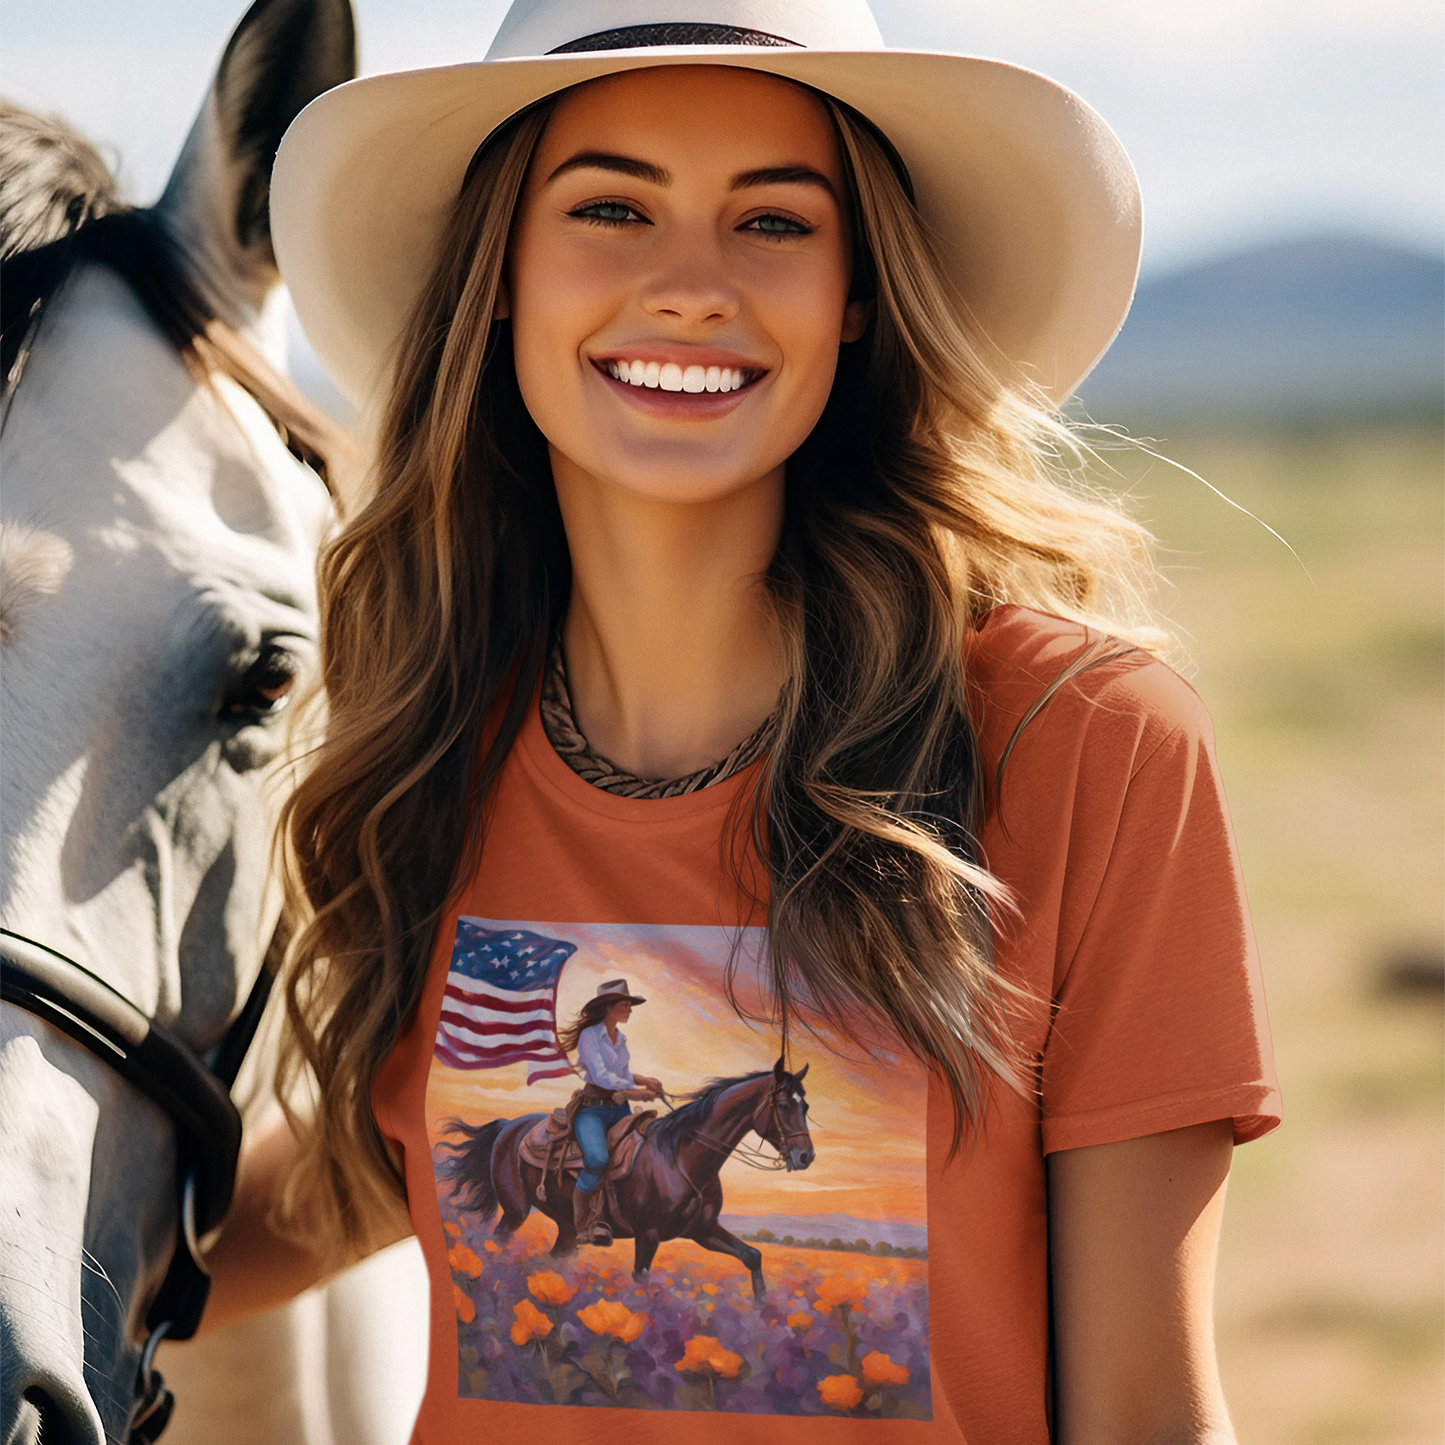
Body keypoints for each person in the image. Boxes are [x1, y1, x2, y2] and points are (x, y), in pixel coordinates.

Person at [201, 2, 1281, 1440]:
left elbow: (1148, 1410)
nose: (692, 285)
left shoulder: (1078, 739)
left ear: (855, 293)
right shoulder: (431, 743)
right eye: (610, 208)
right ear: (503, 276)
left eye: (773, 223)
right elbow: (329, 1194)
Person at [555, 978, 662, 1245]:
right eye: (625, 1004)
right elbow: (602, 1077)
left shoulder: (620, 1038)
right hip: (592, 1110)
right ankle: (582, 1224)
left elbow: (622, 1073)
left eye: (629, 1004)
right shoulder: (589, 1036)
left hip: (619, 1108)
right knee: (597, 1159)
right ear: (609, 1008)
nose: (630, 1009)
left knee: (643, 1154)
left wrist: (644, 1079)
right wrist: (636, 1093)